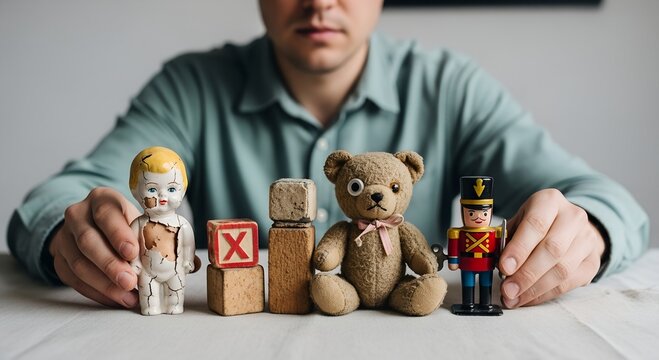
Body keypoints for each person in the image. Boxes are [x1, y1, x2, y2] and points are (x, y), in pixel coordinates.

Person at [7, 0, 649, 311]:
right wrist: (78, 225)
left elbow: (597, 195)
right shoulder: (191, 86)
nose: (320, 2)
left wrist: (586, 226)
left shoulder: (449, 85)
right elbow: (69, 193)